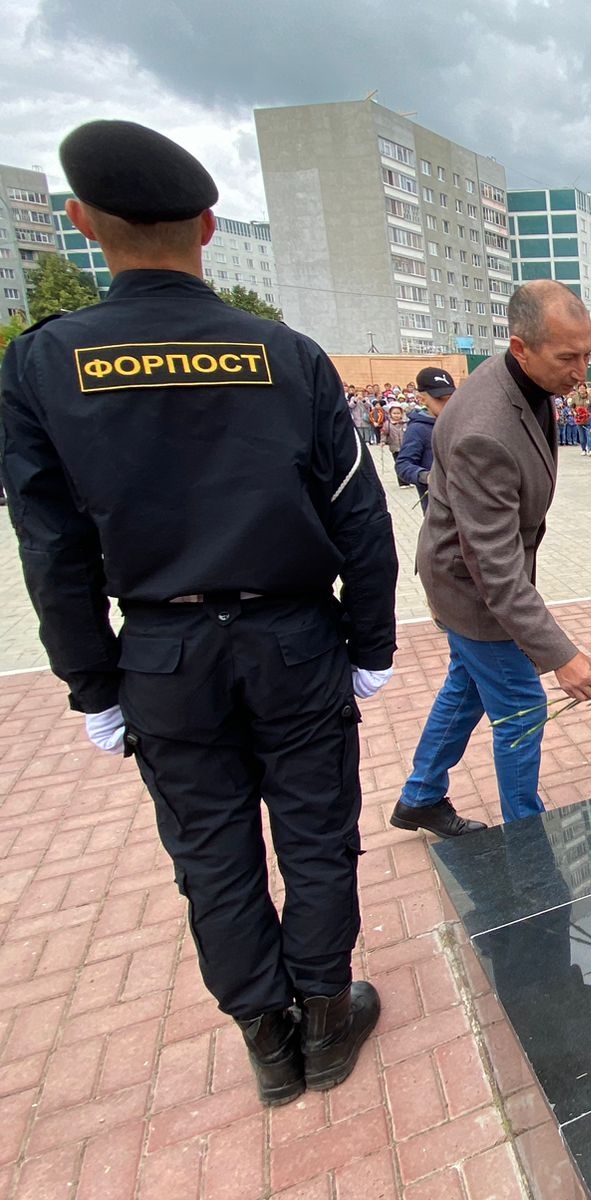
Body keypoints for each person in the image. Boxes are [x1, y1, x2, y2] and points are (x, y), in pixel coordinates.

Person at [0, 120, 399, 1107]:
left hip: (165, 654)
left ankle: (269, 1043)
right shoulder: (284, 354)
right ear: (210, 227)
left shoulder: (46, 361)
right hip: (293, 640)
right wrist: (372, 644)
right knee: (315, 836)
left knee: (211, 854)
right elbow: (360, 515)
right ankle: (325, 1020)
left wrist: (92, 684)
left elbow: (52, 549)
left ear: (85, 222)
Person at [395, 281, 591, 835]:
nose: (582, 371)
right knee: (521, 705)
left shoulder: (527, 383)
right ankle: (526, 835)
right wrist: (560, 654)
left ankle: (420, 796)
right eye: (568, 358)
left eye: (587, 353)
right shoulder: (482, 432)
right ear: (521, 348)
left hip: (481, 575)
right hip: (470, 587)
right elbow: (493, 566)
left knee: (465, 688)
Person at [395, 366, 453, 511]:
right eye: (440, 399)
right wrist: (426, 476)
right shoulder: (417, 429)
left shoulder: (458, 422)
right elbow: (403, 464)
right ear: (422, 399)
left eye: (451, 398)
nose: (448, 405)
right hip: (438, 509)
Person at [574, 389, 591, 456]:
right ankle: (583, 449)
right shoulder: (575, 398)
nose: (582, 390)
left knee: (589, 435)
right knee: (582, 437)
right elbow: (571, 407)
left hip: (588, 420)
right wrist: (574, 412)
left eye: (583, 388)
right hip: (579, 420)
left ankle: (590, 450)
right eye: (580, 388)